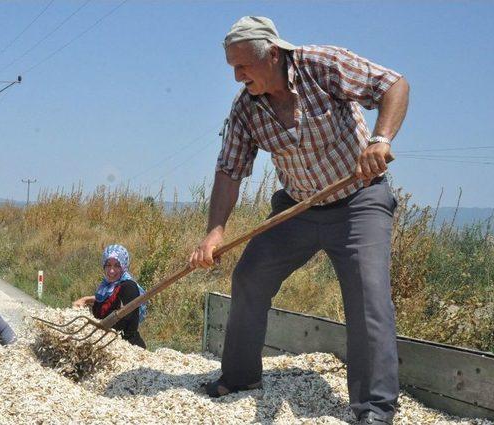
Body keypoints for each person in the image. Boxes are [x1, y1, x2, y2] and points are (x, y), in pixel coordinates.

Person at [189, 16, 409, 425]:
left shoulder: (322, 65)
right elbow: (229, 171)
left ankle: (374, 409)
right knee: (249, 276)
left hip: (359, 202)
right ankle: (239, 378)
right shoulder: (246, 110)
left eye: (243, 66)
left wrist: (381, 139)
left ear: (272, 54)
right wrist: (214, 232)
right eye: (232, 68)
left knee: (368, 296)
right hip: (297, 209)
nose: (237, 77)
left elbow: (393, 84)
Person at [73, 244, 147, 348]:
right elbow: (109, 301)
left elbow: (124, 321)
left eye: (117, 265)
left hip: (126, 347)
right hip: (102, 343)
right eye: (108, 265)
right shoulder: (106, 287)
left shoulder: (129, 286)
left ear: (124, 266)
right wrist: (85, 300)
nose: (111, 271)